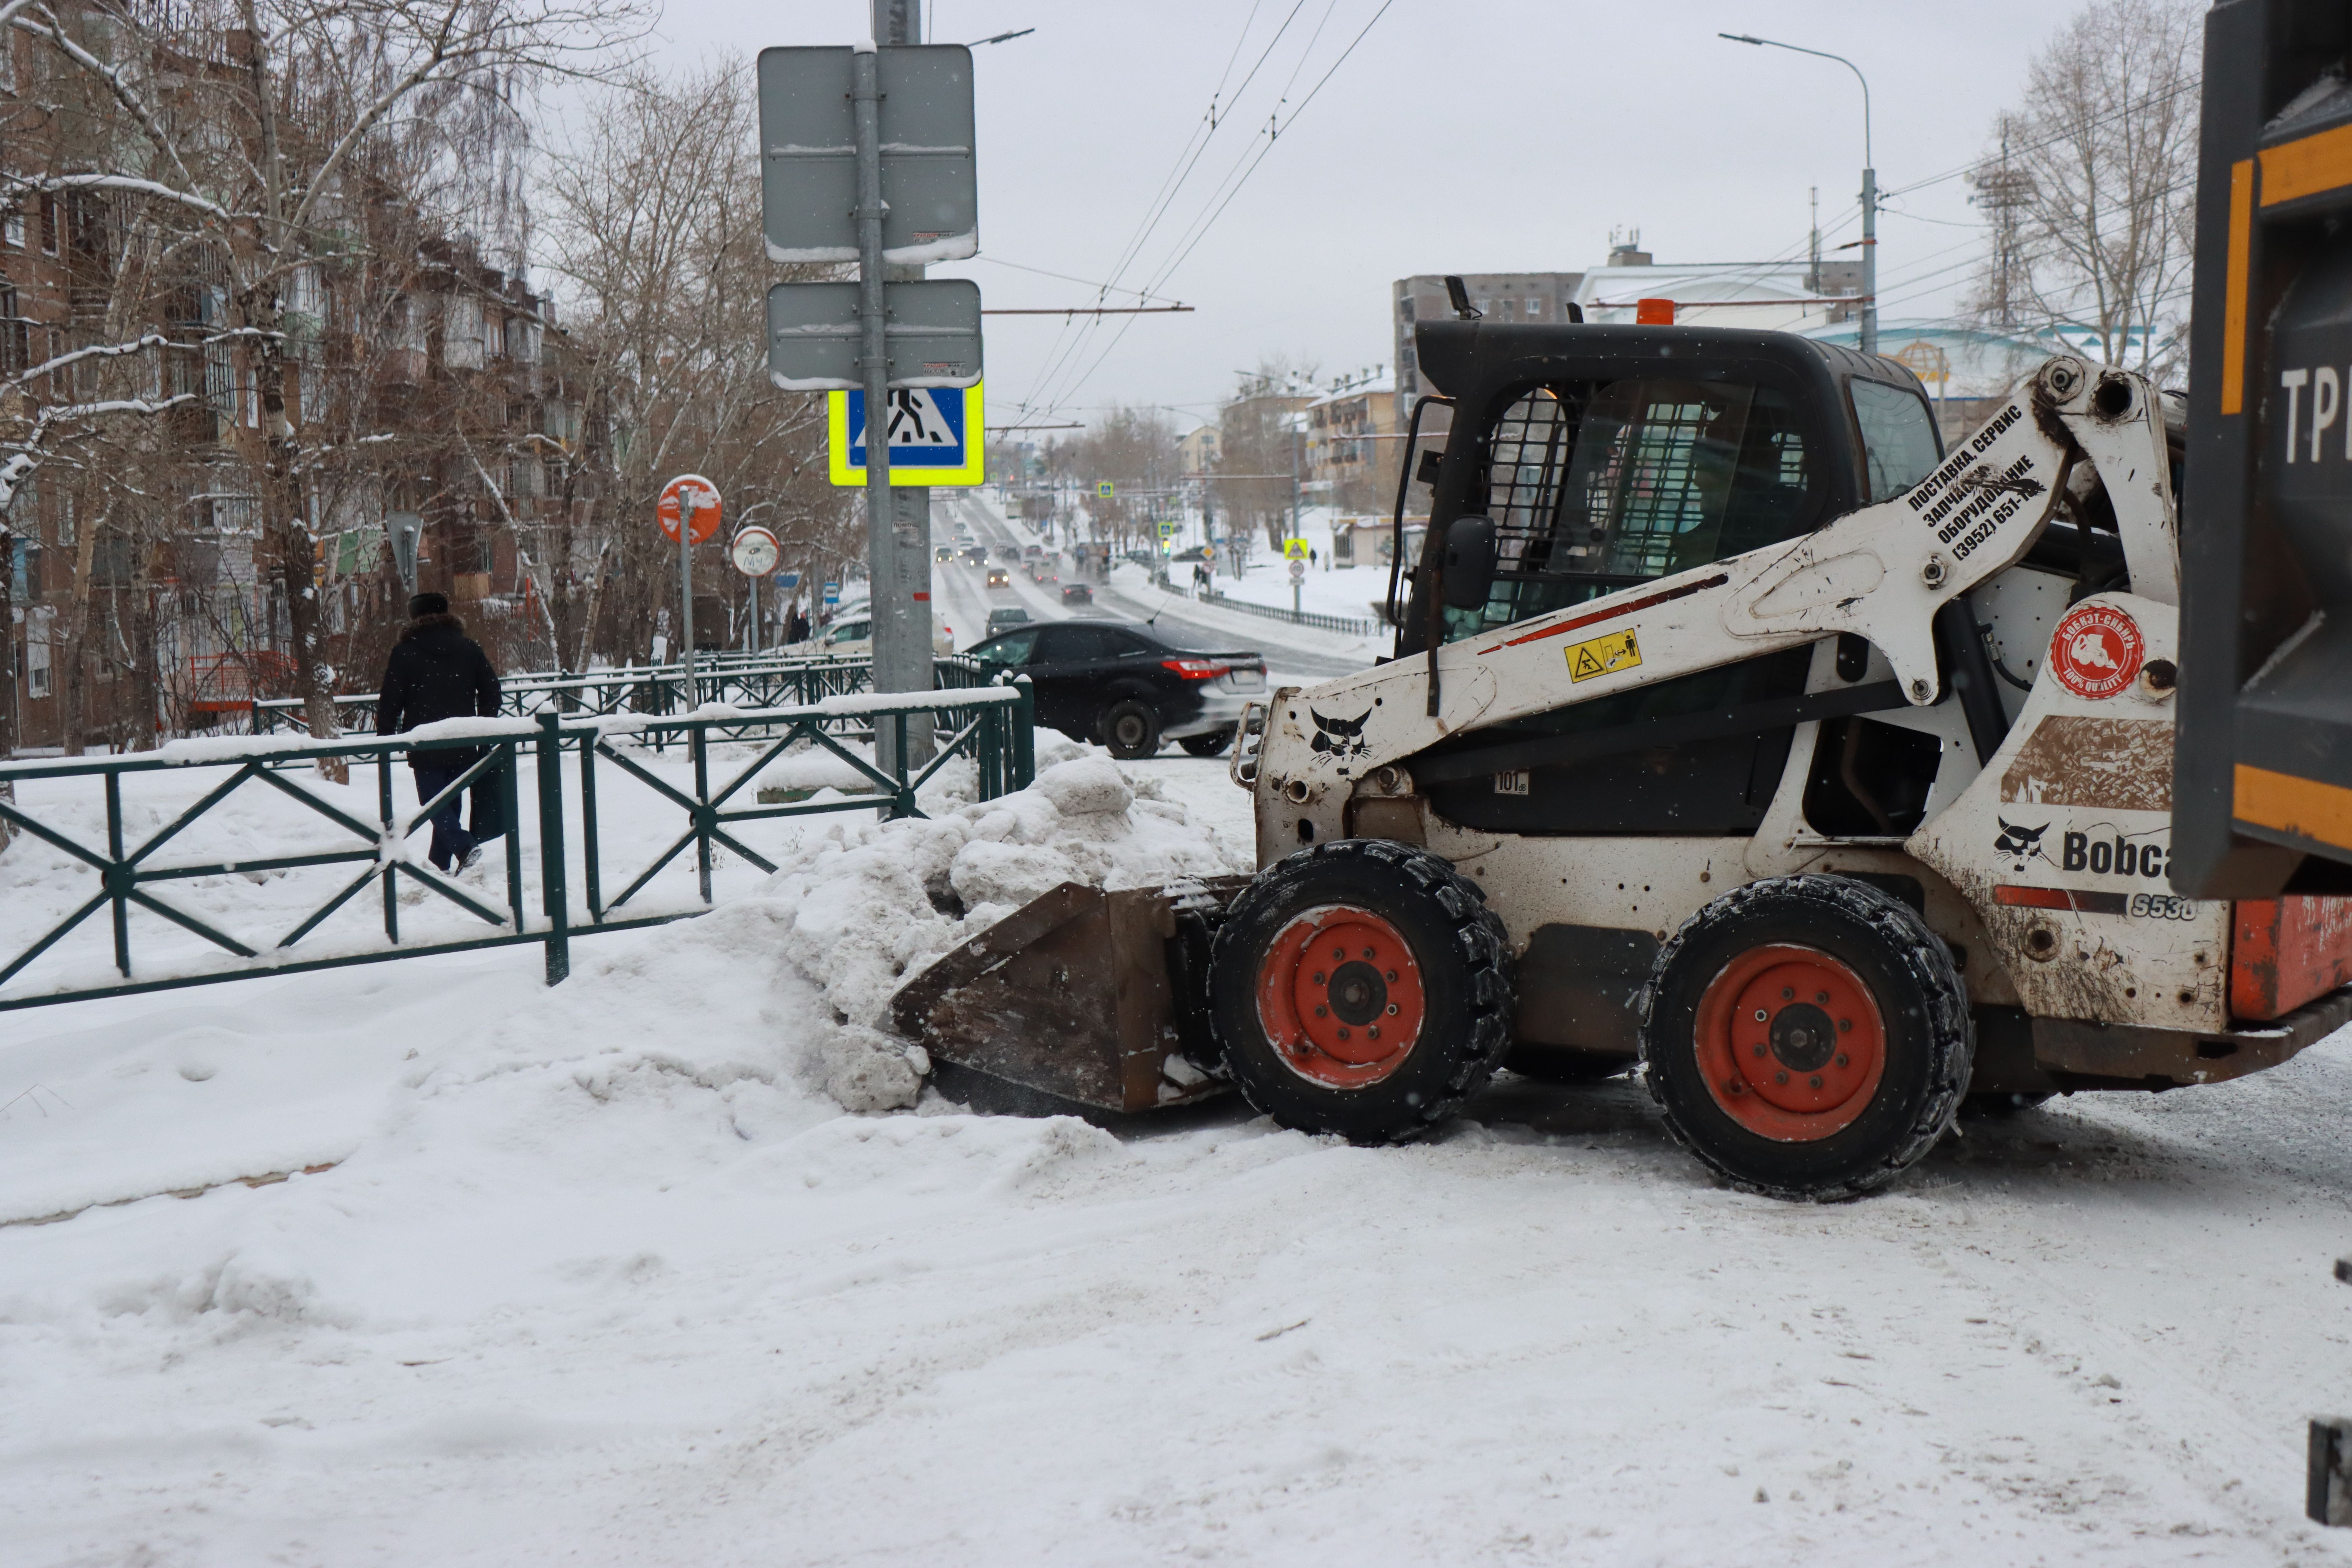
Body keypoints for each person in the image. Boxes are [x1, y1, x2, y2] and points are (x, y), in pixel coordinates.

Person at [377, 591, 503, 873]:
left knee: (434, 805)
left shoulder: (405, 653)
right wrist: (482, 726)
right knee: (449, 805)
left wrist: (385, 736)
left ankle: (465, 847)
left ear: (415, 618)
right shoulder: (469, 648)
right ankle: (439, 867)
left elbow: (390, 700)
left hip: (425, 742)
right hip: (463, 738)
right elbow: (492, 692)